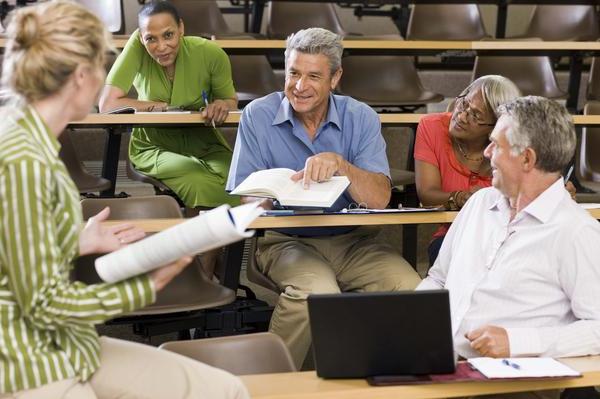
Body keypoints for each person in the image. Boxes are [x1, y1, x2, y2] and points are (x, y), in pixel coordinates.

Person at [0, 2, 248, 398]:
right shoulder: (24, 160)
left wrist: (77, 241)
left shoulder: (30, 137)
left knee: (224, 390)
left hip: (66, 344)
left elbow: (14, 247)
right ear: (82, 76)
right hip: (27, 360)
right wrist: (147, 286)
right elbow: (45, 307)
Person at [226, 27, 421, 369]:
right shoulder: (257, 114)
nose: (300, 86)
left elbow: (378, 199)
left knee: (413, 290)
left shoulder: (360, 117)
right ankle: (268, 385)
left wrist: (342, 166)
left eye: (313, 76)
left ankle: (395, 382)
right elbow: (248, 199)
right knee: (316, 294)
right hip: (286, 241)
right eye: (293, 73)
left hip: (354, 243)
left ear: (335, 78)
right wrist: (269, 197)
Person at [417, 96, 600, 399]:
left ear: (527, 159)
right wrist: (409, 323)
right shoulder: (479, 203)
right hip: (442, 366)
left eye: (495, 145)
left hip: (515, 381)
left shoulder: (576, 231)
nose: (486, 153)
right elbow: (438, 279)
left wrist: (518, 341)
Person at [99, 0, 238, 210]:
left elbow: (230, 100)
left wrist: (220, 105)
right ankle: (201, 239)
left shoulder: (211, 54)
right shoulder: (137, 47)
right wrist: (159, 107)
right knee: (196, 178)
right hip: (153, 144)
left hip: (204, 142)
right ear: (140, 37)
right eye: (151, 39)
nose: (161, 47)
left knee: (239, 181)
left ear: (181, 28)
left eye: (168, 35)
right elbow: (107, 104)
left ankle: (234, 239)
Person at [415, 75, 521, 266]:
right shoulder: (431, 127)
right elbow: (427, 194)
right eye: (464, 103)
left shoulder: (510, 145)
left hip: (506, 236)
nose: (461, 116)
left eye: (476, 115)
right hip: (452, 235)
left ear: (495, 126)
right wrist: (459, 197)